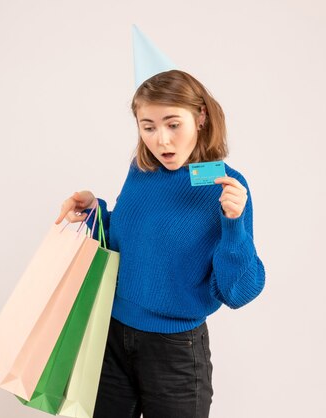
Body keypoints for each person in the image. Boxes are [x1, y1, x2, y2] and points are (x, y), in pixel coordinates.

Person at [54, 69, 265, 418]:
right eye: (148, 126)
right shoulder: (142, 170)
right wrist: (95, 212)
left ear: (200, 117)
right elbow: (130, 243)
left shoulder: (226, 186)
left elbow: (239, 292)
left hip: (174, 350)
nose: (161, 141)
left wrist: (234, 226)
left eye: (173, 124)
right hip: (111, 336)